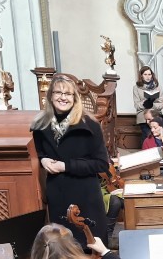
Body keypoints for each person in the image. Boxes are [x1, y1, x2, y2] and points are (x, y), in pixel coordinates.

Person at [31, 74, 109, 248]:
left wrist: (66, 166)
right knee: (63, 248)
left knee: (90, 248)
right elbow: (40, 152)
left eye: (68, 94)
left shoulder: (90, 124)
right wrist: (43, 161)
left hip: (85, 195)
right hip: (58, 194)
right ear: (50, 96)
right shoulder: (40, 125)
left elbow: (101, 163)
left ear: (75, 98)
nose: (63, 97)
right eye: (58, 93)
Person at [133, 66, 163, 145]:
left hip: (155, 114)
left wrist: (152, 105)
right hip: (143, 116)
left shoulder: (158, 87)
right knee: (147, 137)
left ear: (152, 75)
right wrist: (144, 103)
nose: (148, 77)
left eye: (149, 74)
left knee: (157, 137)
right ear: (141, 75)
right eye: (145, 74)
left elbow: (161, 104)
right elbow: (136, 105)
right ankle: (146, 150)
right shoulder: (136, 88)